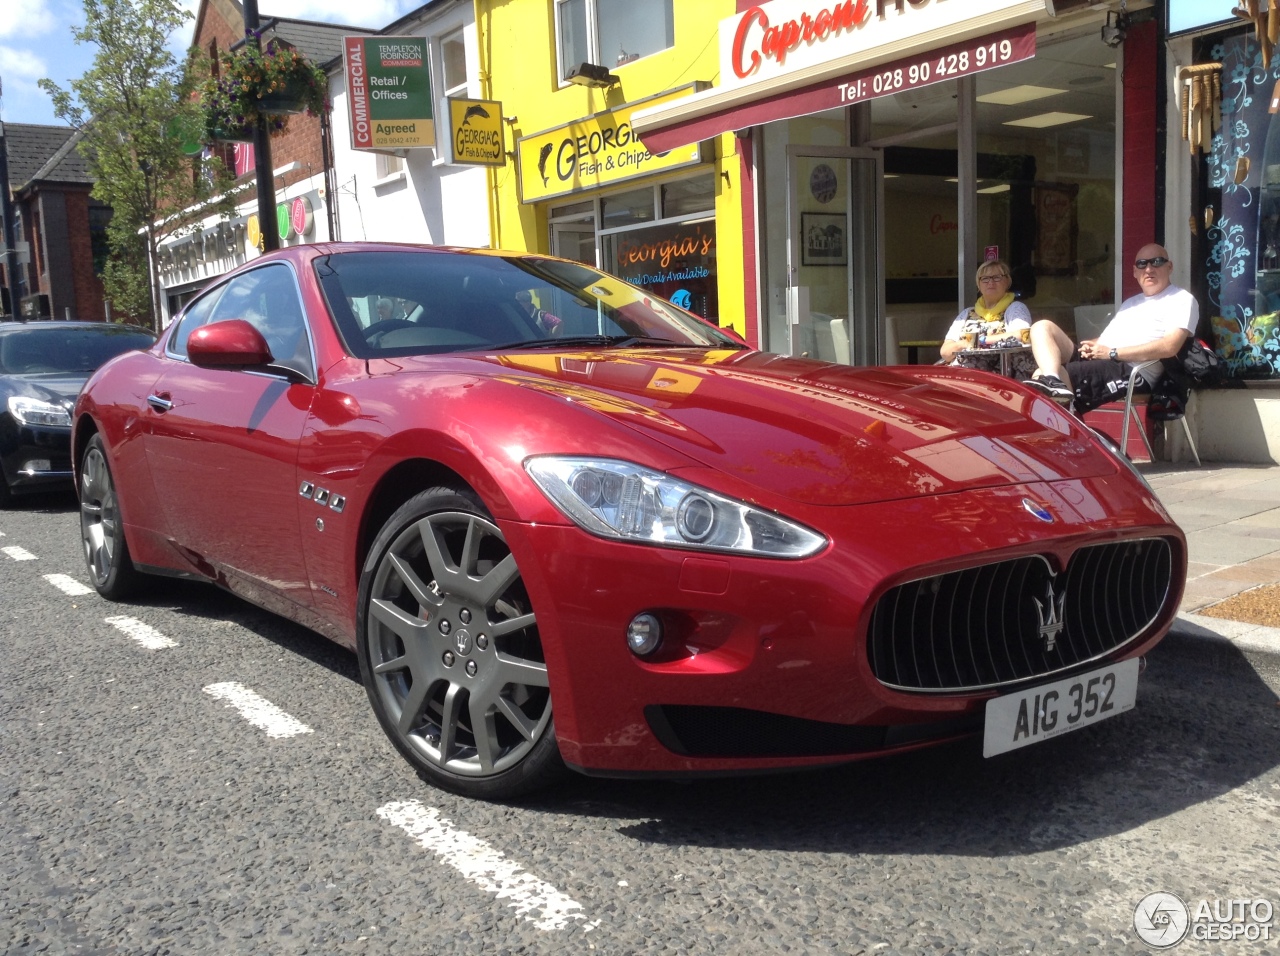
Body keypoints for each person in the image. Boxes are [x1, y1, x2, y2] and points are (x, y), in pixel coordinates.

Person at [1025, 243, 1198, 411]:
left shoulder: (1181, 299)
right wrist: (1094, 344)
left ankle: (1066, 429)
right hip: (1103, 359)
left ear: (1170, 267)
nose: (1149, 269)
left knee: (1050, 375)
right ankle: (1053, 380)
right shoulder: (1131, 302)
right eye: (1142, 264)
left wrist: (1112, 352)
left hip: (1131, 369)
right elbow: (1112, 337)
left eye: (1157, 262)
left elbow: (1170, 347)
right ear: (1135, 272)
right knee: (1042, 327)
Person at [939, 258, 1035, 379]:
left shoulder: (1015, 308)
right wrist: (964, 344)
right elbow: (945, 352)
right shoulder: (967, 313)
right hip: (963, 377)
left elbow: (1022, 335)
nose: (990, 282)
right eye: (985, 278)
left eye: (997, 277)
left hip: (1002, 378)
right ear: (978, 285)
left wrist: (982, 340)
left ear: (1007, 282)